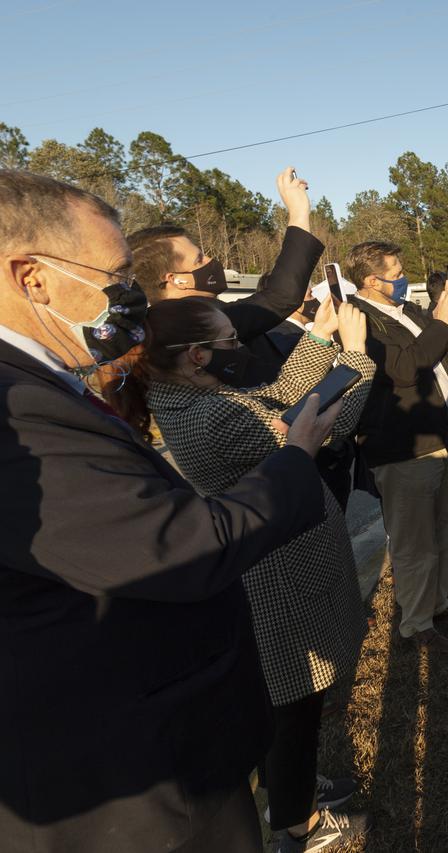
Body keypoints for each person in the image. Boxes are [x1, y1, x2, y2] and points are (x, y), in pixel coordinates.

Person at [0, 169, 343, 852]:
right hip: (128, 784)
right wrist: (297, 459)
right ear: (32, 277)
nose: (132, 296)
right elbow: (173, 544)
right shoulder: (16, 409)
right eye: (118, 274)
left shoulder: (45, 376)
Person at [103, 294, 375, 851]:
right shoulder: (212, 415)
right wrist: (358, 358)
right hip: (283, 577)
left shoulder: (188, 396)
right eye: (229, 341)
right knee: (297, 704)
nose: (239, 348)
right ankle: (296, 825)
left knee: (287, 705)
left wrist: (319, 340)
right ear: (198, 356)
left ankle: (288, 787)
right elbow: (324, 421)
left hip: (280, 566)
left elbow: (273, 397)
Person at [347, 241, 448, 650]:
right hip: (403, 447)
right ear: (372, 280)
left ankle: (437, 602)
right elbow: (404, 371)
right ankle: (416, 623)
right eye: (396, 271)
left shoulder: (405, 313)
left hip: (439, 439)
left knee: (440, 530)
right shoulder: (359, 318)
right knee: (412, 542)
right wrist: (439, 321)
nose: (403, 277)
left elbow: (441, 354)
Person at [127, 166, 323, 385]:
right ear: (175, 279)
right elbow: (281, 295)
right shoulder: (198, 326)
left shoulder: (170, 327)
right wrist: (298, 213)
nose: (212, 261)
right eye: (199, 259)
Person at [255, 295, 357, 509]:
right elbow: (294, 393)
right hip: (317, 462)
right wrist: (355, 348)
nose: (315, 300)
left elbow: (291, 384)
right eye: (308, 295)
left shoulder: (302, 332)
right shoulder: (279, 336)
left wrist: (321, 332)